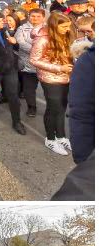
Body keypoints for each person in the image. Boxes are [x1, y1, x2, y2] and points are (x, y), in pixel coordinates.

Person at [31, 12, 77, 156]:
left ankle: (61, 137)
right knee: (53, 108)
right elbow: (34, 60)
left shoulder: (65, 35)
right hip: (50, 79)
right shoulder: (42, 39)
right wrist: (59, 68)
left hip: (66, 77)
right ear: (54, 26)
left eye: (68, 26)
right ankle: (50, 139)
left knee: (62, 108)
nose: (67, 29)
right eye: (64, 27)